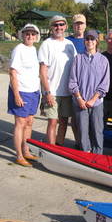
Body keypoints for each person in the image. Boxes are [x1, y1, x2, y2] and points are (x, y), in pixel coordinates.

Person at [38, 15, 77, 145]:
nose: (59, 27)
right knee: (52, 121)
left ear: (65, 26)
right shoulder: (46, 44)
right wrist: (47, 92)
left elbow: (76, 67)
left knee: (64, 121)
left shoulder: (70, 44)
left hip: (67, 92)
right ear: (51, 27)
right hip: (52, 91)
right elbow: (42, 71)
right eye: (56, 25)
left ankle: (59, 146)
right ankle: (51, 148)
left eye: (61, 25)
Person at [69, 30, 110, 154]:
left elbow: (104, 84)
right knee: (82, 131)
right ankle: (85, 154)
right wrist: (79, 98)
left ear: (97, 41)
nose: (89, 41)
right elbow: (72, 81)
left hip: (96, 103)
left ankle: (98, 156)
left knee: (97, 131)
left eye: (92, 39)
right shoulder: (78, 59)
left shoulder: (103, 60)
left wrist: (93, 99)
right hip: (80, 103)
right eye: (87, 39)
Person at [7, 23, 41, 167]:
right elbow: (12, 73)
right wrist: (16, 95)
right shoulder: (18, 49)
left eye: (33, 34)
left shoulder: (34, 49)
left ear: (36, 36)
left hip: (34, 91)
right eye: (27, 33)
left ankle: (26, 150)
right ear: (22, 35)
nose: (30, 36)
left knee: (29, 122)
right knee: (20, 123)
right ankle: (19, 155)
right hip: (21, 91)